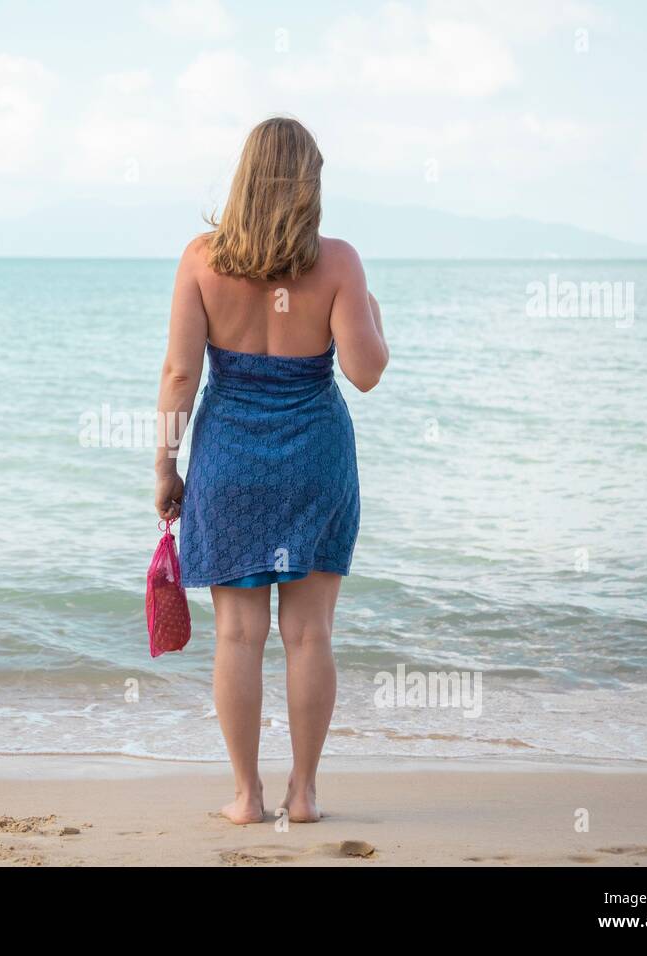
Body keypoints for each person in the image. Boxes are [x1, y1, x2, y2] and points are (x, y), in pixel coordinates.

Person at [153, 116, 389, 824]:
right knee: (310, 635)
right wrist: (371, 311)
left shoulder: (201, 260)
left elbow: (177, 376)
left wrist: (165, 463)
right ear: (307, 184)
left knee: (237, 636)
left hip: (229, 460)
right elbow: (365, 372)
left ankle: (247, 797)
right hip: (314, 458)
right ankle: (305, 795)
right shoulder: (339, 262)